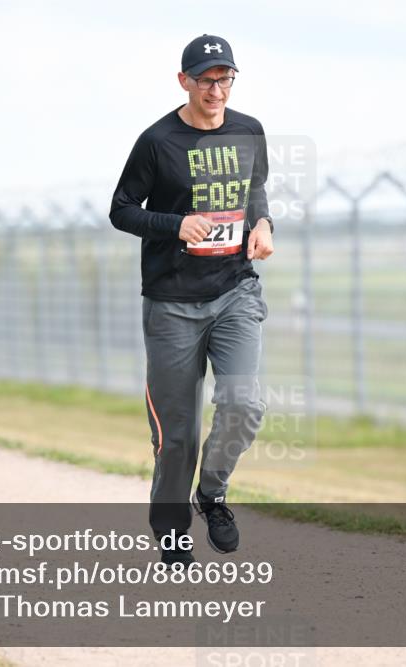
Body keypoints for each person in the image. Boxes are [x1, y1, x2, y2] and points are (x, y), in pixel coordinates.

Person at [109, 35, 274, 567]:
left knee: (244, 404)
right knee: (176, 434)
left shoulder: (249, 130)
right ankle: (172, 526)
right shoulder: (157, 141)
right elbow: (122, 209)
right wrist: (176, 224)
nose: (217, 89)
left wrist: (265, 222)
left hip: (235, 291)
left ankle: (214, 493)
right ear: (184, 81)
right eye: (206, 79)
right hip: (172, 303)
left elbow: (255, 191)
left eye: (225, 78)